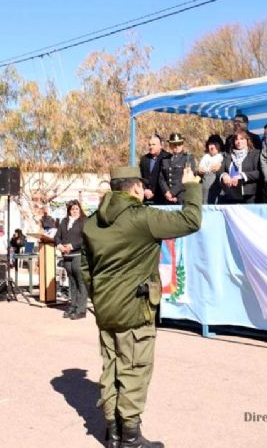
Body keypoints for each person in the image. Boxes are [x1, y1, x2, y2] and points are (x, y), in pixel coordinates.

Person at [81, 165, 202, 448]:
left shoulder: (91, 223)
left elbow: (86, 268)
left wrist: (100, 297)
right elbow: (191, 220)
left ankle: (112, 432)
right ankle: (131, 438)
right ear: (135, 187)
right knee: (134, 368)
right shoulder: (143, 217)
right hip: (135, 308)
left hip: (105, 308)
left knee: (110, 367)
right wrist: (191, 187)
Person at [56, 200, 88, 320]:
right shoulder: (64, 221)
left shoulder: (84, 221)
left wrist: (72, 246)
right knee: (71, 282)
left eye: (76, 209)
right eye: (72, 209)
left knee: (81, 282)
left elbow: (85, 238)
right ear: (69, 210)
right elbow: (57, 236)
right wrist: (59, 245)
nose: (74, 211)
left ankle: (81, 309)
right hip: (66, 256)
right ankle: (73, 306)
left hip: (78, 255)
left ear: (80, 209)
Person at [219, 129, 261, 204]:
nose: (238, 141)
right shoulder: (229, 156)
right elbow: (220, 170)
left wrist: (241, 176)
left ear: (247, 140)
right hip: (231, 195)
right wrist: (224, 175)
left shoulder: (255, 154)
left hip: (249, 196)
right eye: (236, 139)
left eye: (242, 139)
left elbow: (258, 173)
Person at [159, 133, 197, 204]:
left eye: (179, 144)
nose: (176, 146)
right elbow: (161, 178)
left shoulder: (188, 158)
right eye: (174, 144)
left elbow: (186, 179)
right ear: (170, 145)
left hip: (181, 197)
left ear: (182, 145)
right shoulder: (165, 160)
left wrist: (172, 192)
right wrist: (166, 192)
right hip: (167, 198)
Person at [138, 134, 172, 205]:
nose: (151, 147)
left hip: (163, 198)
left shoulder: (168, 157)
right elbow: (140, 177)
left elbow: (168, 178)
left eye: (154, 144)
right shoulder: (144, 159)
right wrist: (145, 189)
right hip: (147, 198)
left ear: (161, 145)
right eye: (149, 145)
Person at [197, 135, 225, 204]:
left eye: (214, 144)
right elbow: (200, 168)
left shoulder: (223, 156)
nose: (212, 147)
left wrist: (220, 167)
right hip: (205, 189)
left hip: (218, 188)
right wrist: (199, 170)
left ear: (219, 145)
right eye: (210, 144)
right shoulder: (206, 157)